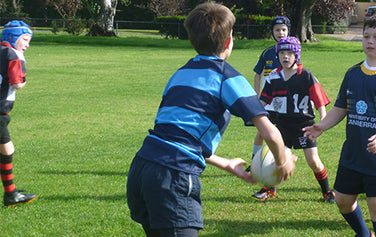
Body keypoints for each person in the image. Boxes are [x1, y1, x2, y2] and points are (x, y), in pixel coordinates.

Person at [126, 3, 296, 236]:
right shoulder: (227, 76)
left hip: (141, 168)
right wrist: (283, 161)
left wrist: (224, 162)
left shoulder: (180, 73)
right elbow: (269, 132)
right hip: (174, 175)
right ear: (228, 42)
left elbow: (176, 134)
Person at [303, 14, 376, 237]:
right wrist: (321, 126)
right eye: (366, 36)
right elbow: (341, 108)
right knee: (342, 200)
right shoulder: (353, 73)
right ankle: (363, 233)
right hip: (353, 151)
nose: (370, 41)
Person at [250, 36, 335, 203]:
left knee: (313, 161)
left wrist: (323, 122)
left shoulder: (306, 75)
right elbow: (264, 99)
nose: (285, 56)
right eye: (282, 53)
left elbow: (319, 100)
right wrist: (253, 111)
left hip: (304, 125)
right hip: (282, 124)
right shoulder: (273, 76)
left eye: (289, 53)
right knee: (275, 158)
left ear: (297, 55)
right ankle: (269, 189)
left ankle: (327, 192)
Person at [248, 16, 292, 201]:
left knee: (279, 139)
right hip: (268, 101)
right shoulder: (267, 53)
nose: (280, 33)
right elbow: (258, 74)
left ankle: (270, 181)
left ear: (288, 30)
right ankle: (255, 163)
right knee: (261, 134)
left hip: (283, 104)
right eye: (277, 30)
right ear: (272, 32)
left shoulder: (291, 51)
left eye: (283, 29)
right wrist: (257, 95)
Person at [0, 20, 36, 207]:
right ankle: (10, 194)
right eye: (25, 39)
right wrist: (24, 81)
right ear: (13, 38)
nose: (27, 45)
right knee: (7, 149)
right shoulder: (14, 55)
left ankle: (10, 191)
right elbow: (17, 84)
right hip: (0, 110)